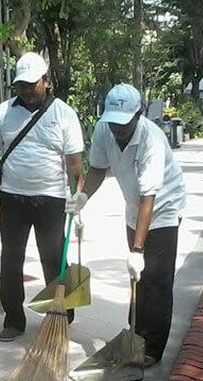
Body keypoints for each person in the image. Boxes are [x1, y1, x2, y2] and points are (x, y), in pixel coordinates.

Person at [0, 52, 85, 342]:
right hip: (12, 197)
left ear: (46, 81)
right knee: (11, 258)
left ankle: (62, 311)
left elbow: (74, 162)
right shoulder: (4, 112)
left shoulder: (64, 114)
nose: (26, 90)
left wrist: (78, 196)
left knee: (54, 256)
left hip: (51, 199)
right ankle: (14, 318)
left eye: (32, 84)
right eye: (21, 85)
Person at [68, 83, 186, 366]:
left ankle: (151, 348)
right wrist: (83, 195)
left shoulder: (152, 140)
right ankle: (136, 333)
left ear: (138, 114)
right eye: (113, 122)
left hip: (164, 208)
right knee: (138, 279)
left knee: (155, 279)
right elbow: (97, 168)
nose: (117, 129)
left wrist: (137, 249)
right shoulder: (103, 129)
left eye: (124, 123)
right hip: (135, 209)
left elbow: (150, 197)